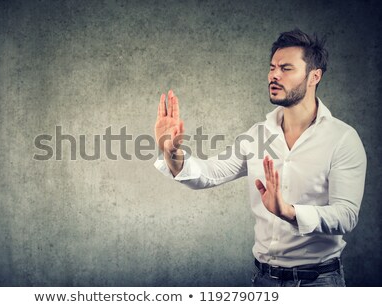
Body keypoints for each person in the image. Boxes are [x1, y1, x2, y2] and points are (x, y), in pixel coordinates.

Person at [153, 29, 367, 287]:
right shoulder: (257, 135)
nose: (274, 75)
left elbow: (346, 216)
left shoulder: (342, 138)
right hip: (263, 280)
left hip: (319, 283)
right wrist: (171, 152)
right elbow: (208, 174)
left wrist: (290, 213)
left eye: (286, 68)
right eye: (272, 67)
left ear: (314, 76)